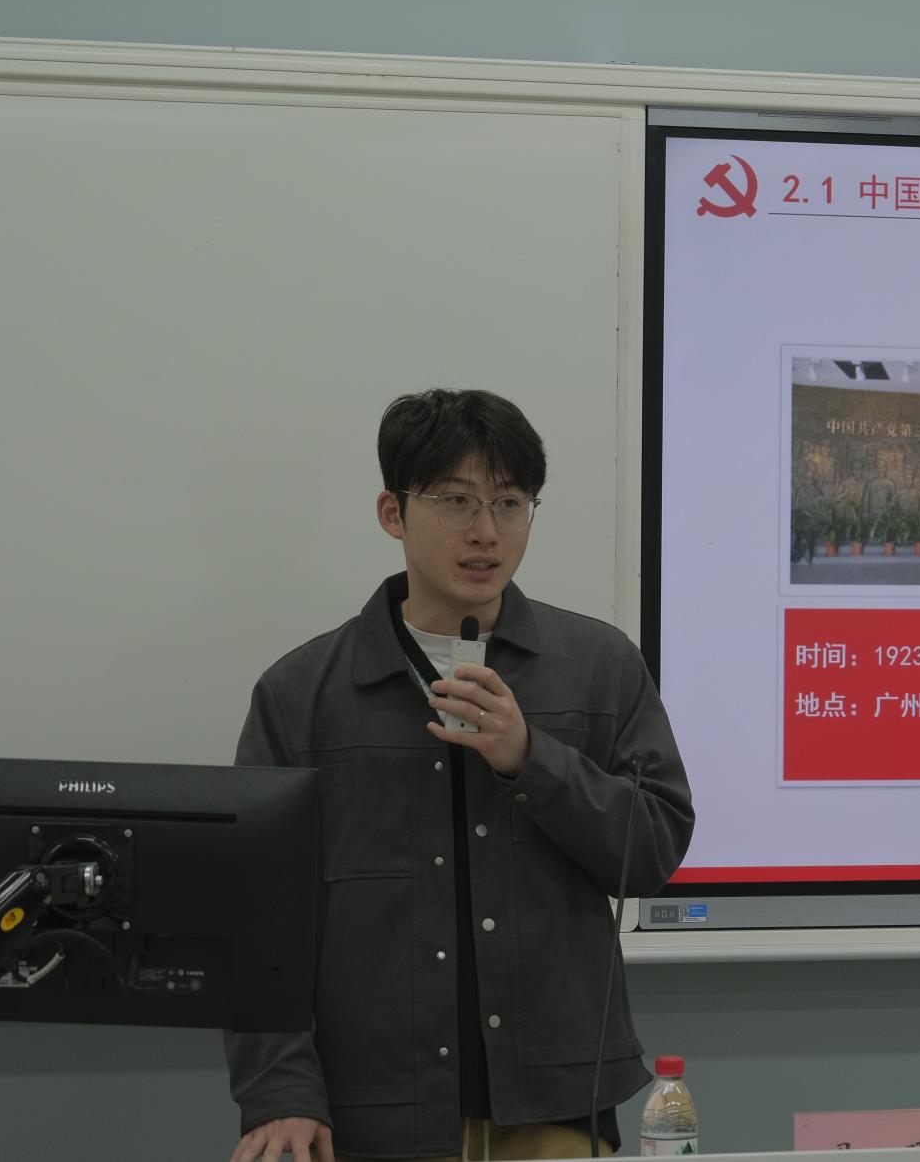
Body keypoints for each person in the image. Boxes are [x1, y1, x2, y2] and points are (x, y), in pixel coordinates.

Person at [225, 389, 694, 1162]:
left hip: (554, 1102)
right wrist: (280, 1091)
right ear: (393, 512)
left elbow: (652, 850)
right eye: (455, 500)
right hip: (370, 1104)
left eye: (510, 502)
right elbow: (258, 917)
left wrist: (531, 755)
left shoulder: (598, 667)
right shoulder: (301, 695)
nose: (486, 532)